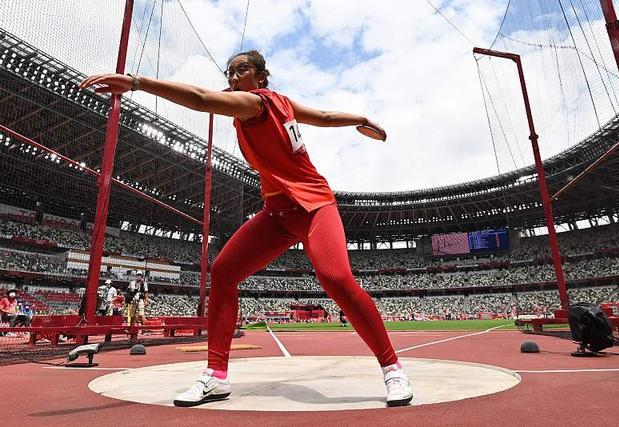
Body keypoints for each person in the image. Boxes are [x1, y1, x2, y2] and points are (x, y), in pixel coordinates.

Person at [80, 49, 412, 408]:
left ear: (261, 76)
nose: (234, 76)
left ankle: (393, 369)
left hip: (315, 205)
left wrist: (135, 82)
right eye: (230, 71)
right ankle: (216, 376)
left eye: (242, 70)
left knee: (335, 278)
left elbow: (205, 99)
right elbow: (321, 115)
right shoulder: (269, 102)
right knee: (223, 272)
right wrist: (358, 118)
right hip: (277, 213)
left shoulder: (261, 104)